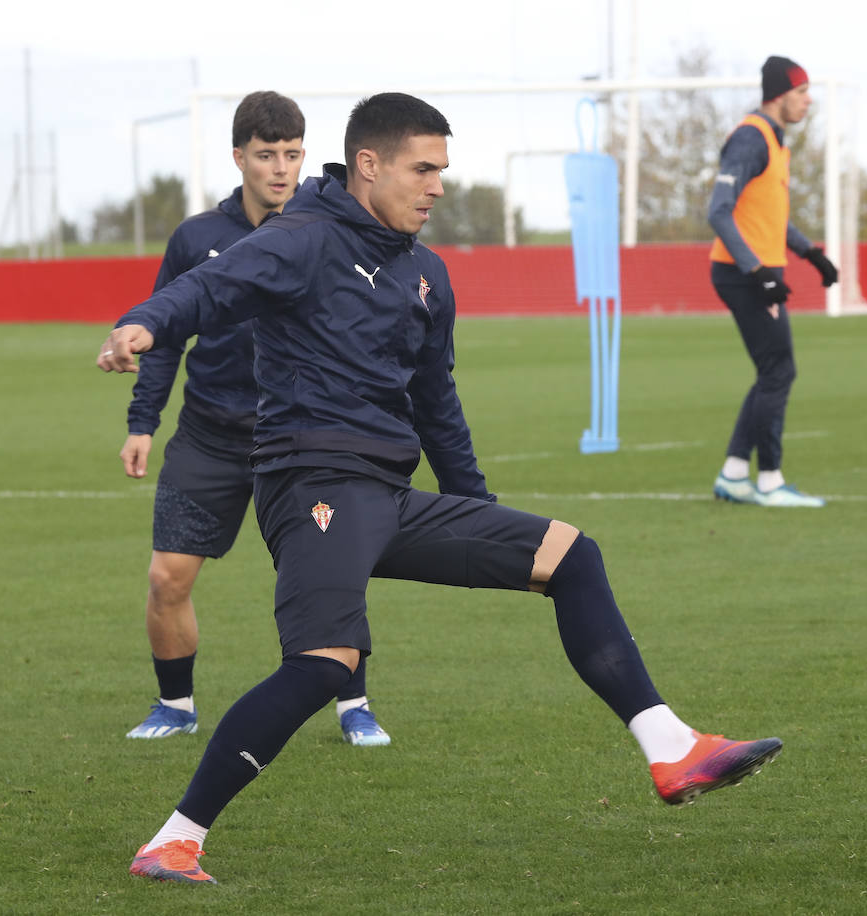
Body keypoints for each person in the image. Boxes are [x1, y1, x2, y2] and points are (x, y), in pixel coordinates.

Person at [99, 92, 783, 886]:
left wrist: (476, 510)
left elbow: (436, 405)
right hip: (311, 485)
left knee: (569, 555)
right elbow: (208, 288)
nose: (438, 186)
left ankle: (672, 750)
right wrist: (144, 323)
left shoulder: (426, 273)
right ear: (369, 164)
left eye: (444, 171)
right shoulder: (300, 237)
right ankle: (174, 839)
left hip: (384, 493)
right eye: (423, 169)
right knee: (325, 665)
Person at [116, 91, 391, 748]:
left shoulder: (330, 232)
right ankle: (176, 704)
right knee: (165, 578)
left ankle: (354, 703)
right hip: (211, 433)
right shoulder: (197, 239)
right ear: (239, 156)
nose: (281, 169)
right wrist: (142, 421)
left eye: (292, 154)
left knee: (333, 577)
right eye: (266, 155)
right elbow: (169, 328)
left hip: (303, 439)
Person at [707, 55, 839, 508]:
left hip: (758, 273)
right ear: (780, 95)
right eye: (802, 93)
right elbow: (718, 211)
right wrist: (758, 272)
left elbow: (771, 217)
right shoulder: (750, 138)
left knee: (772, 371)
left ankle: (734, 473)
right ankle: (769, 481)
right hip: (744, 275)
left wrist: (812, 254)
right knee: (780, 370)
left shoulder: (775, 141)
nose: (808, 101)